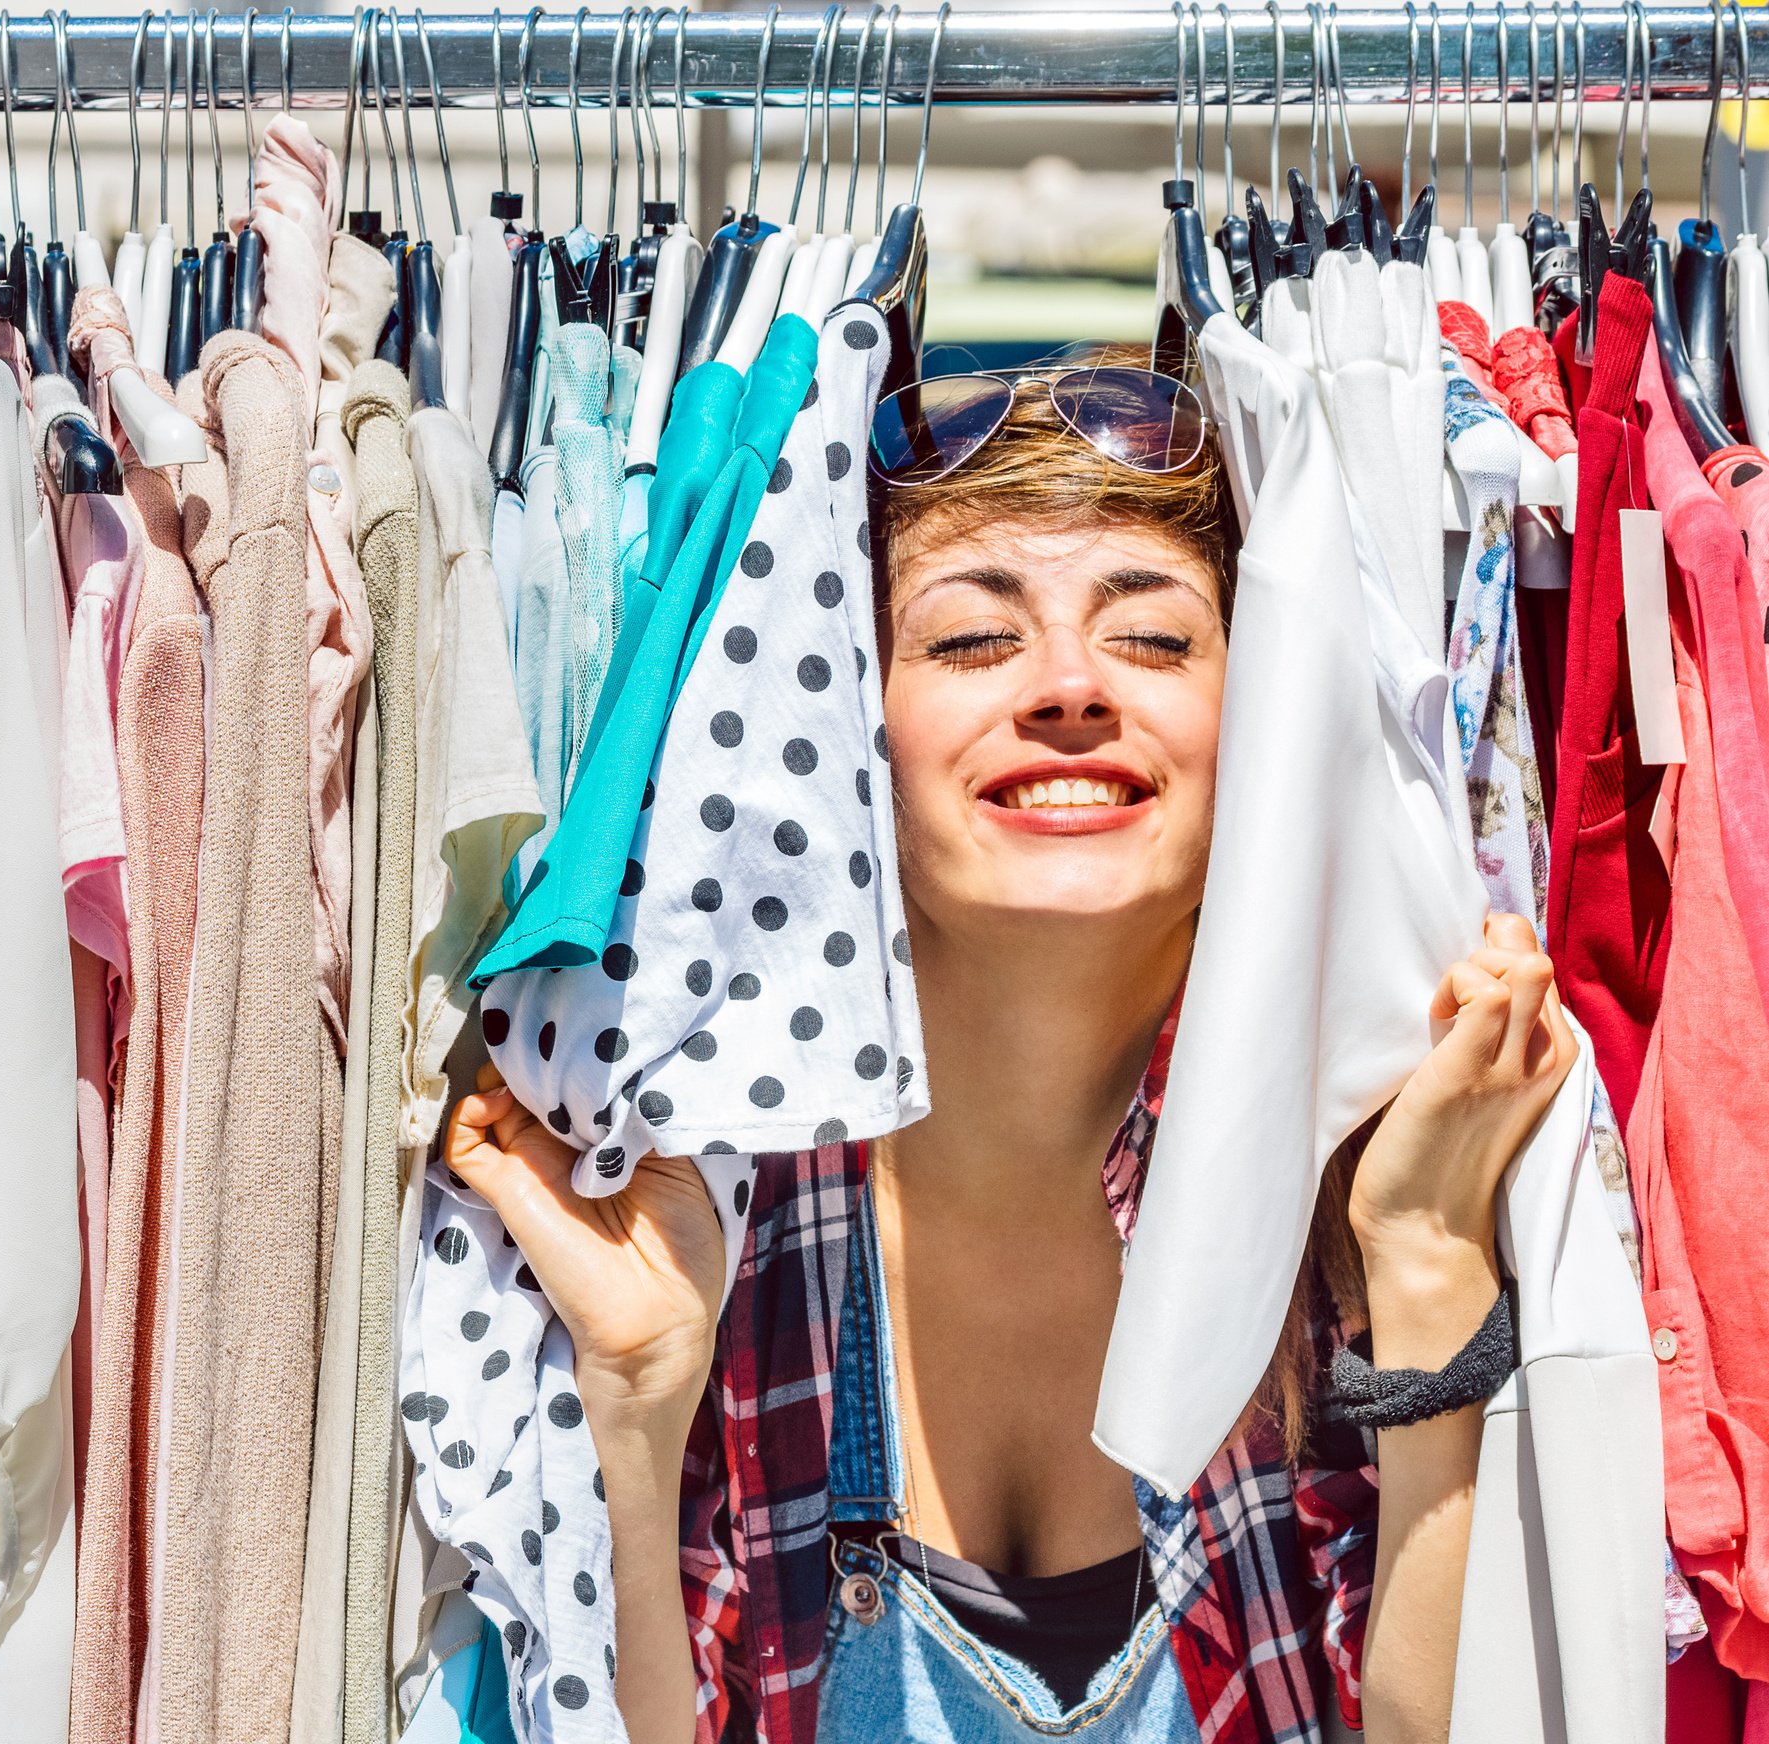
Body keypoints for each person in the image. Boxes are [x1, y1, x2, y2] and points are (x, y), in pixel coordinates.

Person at [443, 350, 1575, 1743]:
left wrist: (1418, 1264)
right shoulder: (709, 1209)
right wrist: (633, 1407)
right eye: (972, 639)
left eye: (1152, 639)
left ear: (1266, 722)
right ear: (841, 731)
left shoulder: (1385, 1174)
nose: (1065, 686)